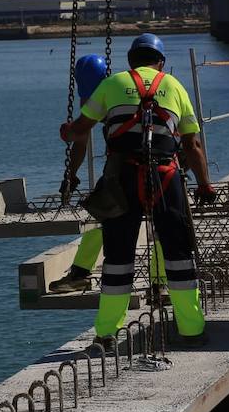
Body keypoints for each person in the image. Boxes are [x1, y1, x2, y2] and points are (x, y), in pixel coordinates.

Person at [59, 34, 216, 346]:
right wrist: (204, 184)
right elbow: (193, 144)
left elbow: (80, 130)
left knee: (118, 258)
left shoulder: (112, 84)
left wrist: (67, 134)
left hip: (122, 179)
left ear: (130, 61)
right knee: (179, 255)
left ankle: (106, 335)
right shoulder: (175, 86)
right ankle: (191, 330)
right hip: (166, 177)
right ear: (161, 62)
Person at [51, 53, 169, 296]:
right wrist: (70, 175)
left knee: (158, 221)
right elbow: (81, 140)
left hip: (154, 162)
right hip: (124, 167)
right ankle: (81, 274)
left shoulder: (118, 92)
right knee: (100, 212)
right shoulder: (103, 92)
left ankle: (160, 283)